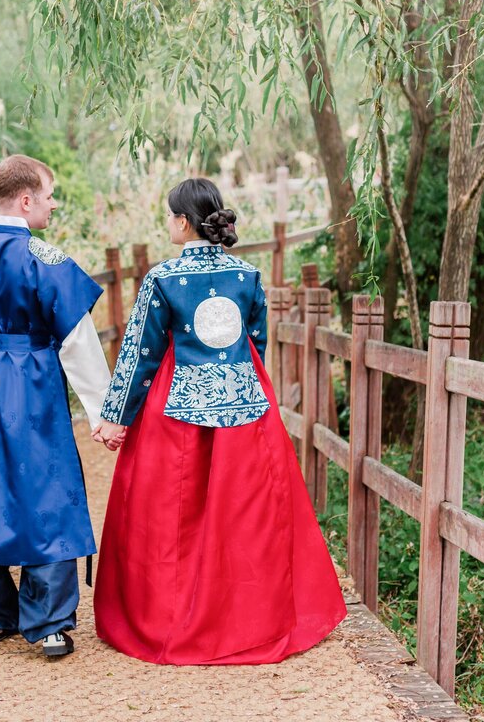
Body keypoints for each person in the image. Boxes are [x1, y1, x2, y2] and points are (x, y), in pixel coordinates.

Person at [91, 177, 347, 665]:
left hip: (176, 409)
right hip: (245, 407)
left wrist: (115, 418)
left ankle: (171, 618)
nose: (168, 223)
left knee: (172, 515)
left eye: (170, 216)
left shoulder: (163, 279)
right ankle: (249, 618)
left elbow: (141, 354)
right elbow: (257, 342)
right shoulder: (248, 277)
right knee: (244, 515)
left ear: (184, 223)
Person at [0, 154, 114, 659]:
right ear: (26, 200)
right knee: (46, 491)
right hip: (31, 383)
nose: (53, 205)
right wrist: (103, 412)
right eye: (49, 195)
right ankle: (48, 622)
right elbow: (76, 343)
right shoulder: (46, 260)